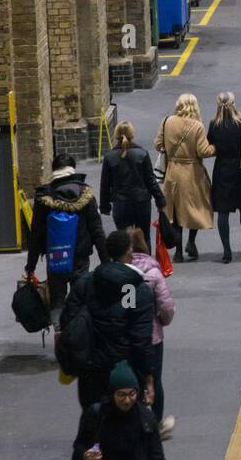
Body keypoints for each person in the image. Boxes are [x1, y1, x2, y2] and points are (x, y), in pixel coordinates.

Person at [63, 229, 156, 410]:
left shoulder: (86, 283)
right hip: (125, 371)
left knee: (93, 422)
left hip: (91, 369)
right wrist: (148, 376)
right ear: (130, 252)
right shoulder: (135, 289)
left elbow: (69, 321)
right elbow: (141, 338)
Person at [25, 154, 108, 319]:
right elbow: (97, 231)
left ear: (54, 170)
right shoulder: (86, 194)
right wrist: (106, 261)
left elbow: (36, 234)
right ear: (73, 169)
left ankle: (59, 334)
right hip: (80, 258)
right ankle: (79, 335)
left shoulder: (43, 197)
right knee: (81, 300)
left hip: (55, 257)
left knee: (57, 302)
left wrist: (31, 266)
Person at [154, 94, 216, 262]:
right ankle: (191, 242)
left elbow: (158, 144)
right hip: (192, 172)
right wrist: (215, 147)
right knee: (194, 209)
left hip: (172, 172)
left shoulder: (167, 121)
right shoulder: (198, 126)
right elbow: (203, 151)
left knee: (175, 212)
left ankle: (179, 252)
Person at [129, 228, 176, 438]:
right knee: (155, 380)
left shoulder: (121, 273)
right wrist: (162, 322)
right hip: (153, 337)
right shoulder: (154, 273)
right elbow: (166, 307)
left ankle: (134, 422)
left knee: (133, 379)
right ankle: (156, 423)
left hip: (128, 337)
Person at [206, 92, 241, 263]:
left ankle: (227, 251)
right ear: (234, 104)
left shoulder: (214, 124)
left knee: (223, 211)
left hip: (222, 170)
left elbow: (209, 143)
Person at [99, 122, 166, 253]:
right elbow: (150, 180)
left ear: (116, 135)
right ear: (132, 135)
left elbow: (105, 184)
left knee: (124, 240)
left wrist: (105, 207)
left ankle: (127, 267)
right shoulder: (142, 153)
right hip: (141, 202)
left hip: (120, 203)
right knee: (144, 237)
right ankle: (145, 265)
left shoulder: (110, 157)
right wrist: (160, 200)